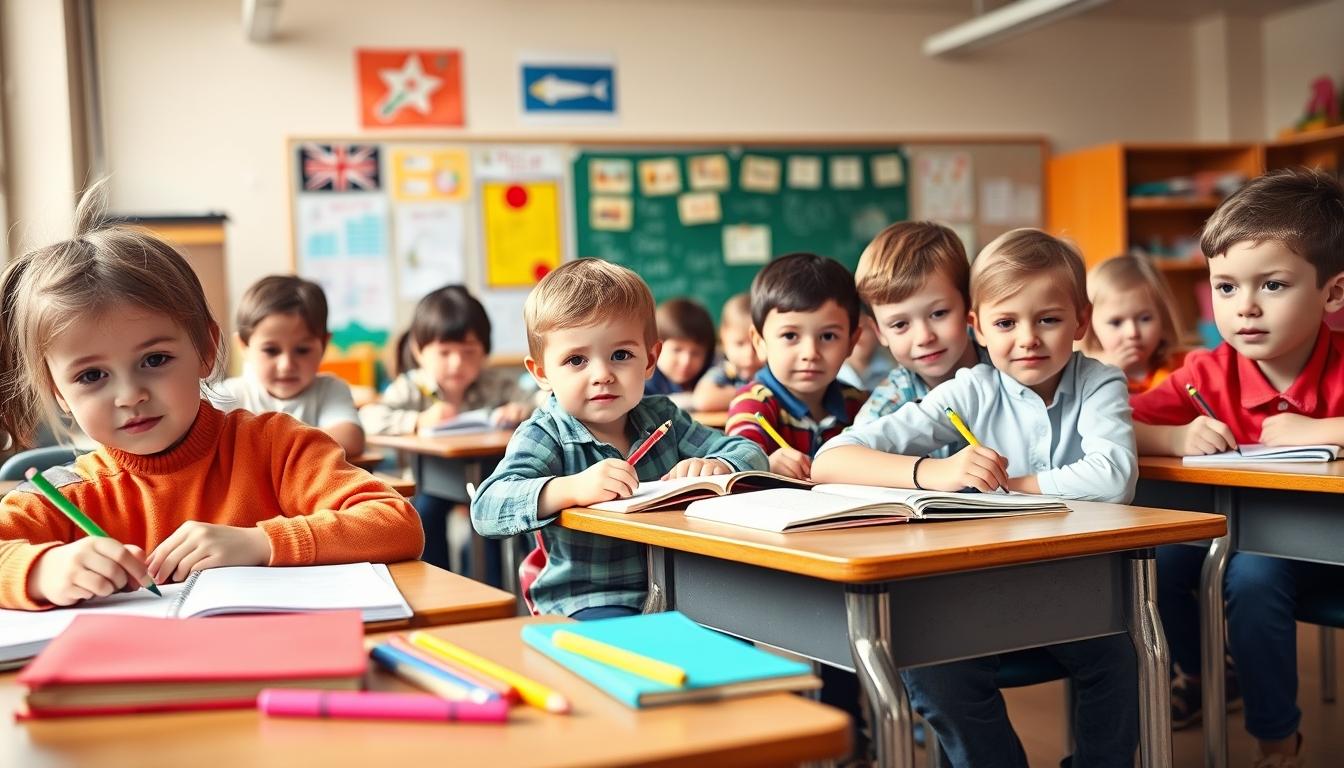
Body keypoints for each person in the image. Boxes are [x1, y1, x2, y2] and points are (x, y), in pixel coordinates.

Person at [0, 182, 422, 610]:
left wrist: (261, 542)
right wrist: (41, 570)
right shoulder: (70, 493)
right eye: (92, 375)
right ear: (60, 394)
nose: (129, 396)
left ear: (205, 350)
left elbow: (397, 523)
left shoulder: (276, 447)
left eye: (155, 359)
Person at [813, 228, 1139, 768]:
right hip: (973, 592)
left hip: (1072, 587)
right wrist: (933, 471)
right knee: (935, 673)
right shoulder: (971, 390)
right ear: (980, 327)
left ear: (1082, 320)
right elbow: (832, 458)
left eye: (1049, 320)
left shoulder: (1101, 382)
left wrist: (1015, 488)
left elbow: (1112, 479)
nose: (1028, 339)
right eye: (1007, 323)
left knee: (1121, 658)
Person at [1132, 168, 1344, 767]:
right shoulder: (1207, 372)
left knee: (1250, 574)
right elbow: (1108, 420)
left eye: (1272, 285)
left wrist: (1326, 431)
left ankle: (1272, 735)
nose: (1244, 308)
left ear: (1332, 293)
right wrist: (1171, 436)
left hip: (1328, 552)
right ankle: (1209, 683)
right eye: (1225, 287)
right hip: (1253, 549)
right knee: (1169, 558)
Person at [471, 259, 766, 619]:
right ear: (541, 373)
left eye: (621, 355)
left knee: (739, 644)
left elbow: (749, 450)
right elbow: (486, 509)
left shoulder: (663, 418)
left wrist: (719, 464)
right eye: (576, 360)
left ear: (650, 360)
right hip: (590, 598)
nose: (602, 375)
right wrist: (570, 489)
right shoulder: (547, 433)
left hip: (684, 589)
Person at [724, 253, 866, 480]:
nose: (810, 353)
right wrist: (764, 464)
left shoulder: (859, 404)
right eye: (790, 335)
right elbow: (737, 459)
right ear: (759, 342)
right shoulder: (753, 403)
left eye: (828, 336)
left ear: (852, 341)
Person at [212, 275, 365, 457]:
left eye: (302, 350)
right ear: (244, 347)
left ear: (324, 344)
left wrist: (270, 446)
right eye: (271, 351)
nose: (286, 365)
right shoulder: (228, 394)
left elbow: (351, 438)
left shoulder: (330, 389)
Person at [1080, 253, 1181, 393]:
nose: (1132, 333)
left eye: (1145, 318)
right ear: (1089, 326)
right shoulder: (1082, 377)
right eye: (1116, 322)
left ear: (1163, 318)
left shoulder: (1184, 367)